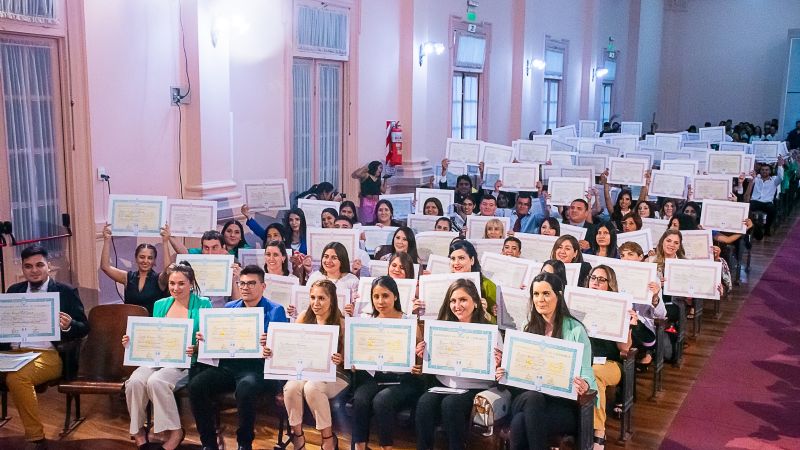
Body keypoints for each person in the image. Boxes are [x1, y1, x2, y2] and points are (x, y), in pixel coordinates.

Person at [189, 265, 287, 450]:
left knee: (245, 387)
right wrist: (207, 338)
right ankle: (208, 443)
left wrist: (270, 346)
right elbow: (221, 338)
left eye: (251, 283)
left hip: (257, 368)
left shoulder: (275, 310)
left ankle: (244, 443)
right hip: (229, 366)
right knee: (196, 385)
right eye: (241, 283)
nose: (245, 287)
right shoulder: (229, 307)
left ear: (263, 286)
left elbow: (282, 348)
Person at [495, 273, 596, 450]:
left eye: (546, 294)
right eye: (536, 294)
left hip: (562, 406)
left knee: (519, 423)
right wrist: (504, 370)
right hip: (527, 398)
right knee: (533, 398)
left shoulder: (576, 330)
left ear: (559, 295)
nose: (540, 299)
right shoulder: (528, 327)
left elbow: (586, 371)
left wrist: (585, 384)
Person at [1, 246, 89, 449]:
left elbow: (84, 327)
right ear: (23, 269)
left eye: (39, 265)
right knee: (15, 373)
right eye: (28, 266)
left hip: (47, 354)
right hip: (12, 351)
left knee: (17, 377)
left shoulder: (65, 292)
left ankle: (36, 438)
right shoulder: (14, 291)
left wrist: (68, 326)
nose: (34, 270)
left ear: (48, 266)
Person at [123, 262, 211, 450]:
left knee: (157, 381)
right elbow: (155, 335)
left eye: (181, 283)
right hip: (159, 358)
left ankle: (175, 431)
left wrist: (196, 347)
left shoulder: (204, 303)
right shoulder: (160, 305)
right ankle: (138, 430)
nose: (175, 288)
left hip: (187, 363)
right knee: (134, 382)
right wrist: (132, 342)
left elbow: (209, 339)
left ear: (191, 283)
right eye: (172, 283)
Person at [415, 279, 497, 450]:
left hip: (475, 389)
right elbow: (431, 369)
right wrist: (425, 356)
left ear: (475, 302)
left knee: (450, 405)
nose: (457, 305)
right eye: (453, 301)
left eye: (463, 300)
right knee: (424, 403)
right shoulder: (441, 329)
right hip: (445, 386)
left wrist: (497, 364)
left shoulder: (491, 332)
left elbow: (498, 374)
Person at [265, 279, 347, 450]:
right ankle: (298, 436)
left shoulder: (341, 322)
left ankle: (328, 439)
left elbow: (349, 361)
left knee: (312, 388)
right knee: (291, 387)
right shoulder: (304, 316)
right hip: (307, 371)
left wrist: (341, 359)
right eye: (313, 297)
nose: (316, 303)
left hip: (336, 374)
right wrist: (270, 348)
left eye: (321, 298)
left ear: (332, 299)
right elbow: (291, 346)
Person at [351, 277, 424, 450]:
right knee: (360, 400)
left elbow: (420, 362)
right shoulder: (366, 323)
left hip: (403, 381)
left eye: (385, 296)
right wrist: (354, 362)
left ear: (395, 297)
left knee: (382, 400)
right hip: (373, 378)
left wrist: (417, 366)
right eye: (376, 297)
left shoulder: (409, 322)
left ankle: (386, 447)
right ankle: (360, 447)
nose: (380, 301)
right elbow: (357, 353)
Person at [584, 265, 637, 448]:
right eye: (593, 278)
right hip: (583, 360)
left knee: (594, 373)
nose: (595, 282)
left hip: (609, 363)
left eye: (601, 279)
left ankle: (598, 431)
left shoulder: (618, 307)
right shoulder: (579, 302)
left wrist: (628, 325)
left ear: (610, 284)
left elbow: (624, 348)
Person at [162, 227, 241, 306]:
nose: (210, 253)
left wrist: (235, 280)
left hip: (219, 313)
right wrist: (169, 237)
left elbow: (237, 303)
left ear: (223, 248)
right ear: (202, 248)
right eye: (206, 248)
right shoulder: (195, 263)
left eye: (214, 247)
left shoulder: (232, 266)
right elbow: (183, 254)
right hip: (195, 310)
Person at [100, 224, 168, 314]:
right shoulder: (128, 277)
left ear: (154, 261)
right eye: (142, 257)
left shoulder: (159, 279)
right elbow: (105, 267)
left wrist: (165, 242)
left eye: (150, 258)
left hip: (151, 325)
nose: (145, 261)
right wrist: (107, 240)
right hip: (130, 323)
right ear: (136, 258)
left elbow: (168, 271)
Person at [619, 242, 666, 368]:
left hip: (642, 325)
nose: (625, 258)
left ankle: (645, 352)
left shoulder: (652, 279)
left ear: (640, 257)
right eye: (622, 255)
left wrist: (655, 297)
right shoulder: (614, 276)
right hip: (618, 321)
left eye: (630, 254)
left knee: (633, 324)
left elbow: (661, 314)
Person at [444, 240, 497, 323]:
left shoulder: (487, 285)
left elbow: (497, 323)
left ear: (472, 260)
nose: (456, 263)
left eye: (461, 258)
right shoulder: (444, 283)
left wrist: (485, 313)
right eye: (453, 259)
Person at [306, 242, 360, 310]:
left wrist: (353, 311)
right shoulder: (315, 277)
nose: (328, 261)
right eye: (326, 256)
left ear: (342, 260)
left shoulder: (353, 281)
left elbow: (358, 310)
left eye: (334, 258)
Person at [745, 158, 785, 236]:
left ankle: (767, 228)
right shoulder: (756, 179)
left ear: (770, 171)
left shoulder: (774, 180)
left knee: (772, 210)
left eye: (767, 170)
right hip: (755, 201)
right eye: (763, 170)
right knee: (747, 208)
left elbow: (780, 177)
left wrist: (780, 165)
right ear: (760, 171)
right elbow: (750, 179)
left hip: (767, 203)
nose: (764, 171)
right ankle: (753, 227)